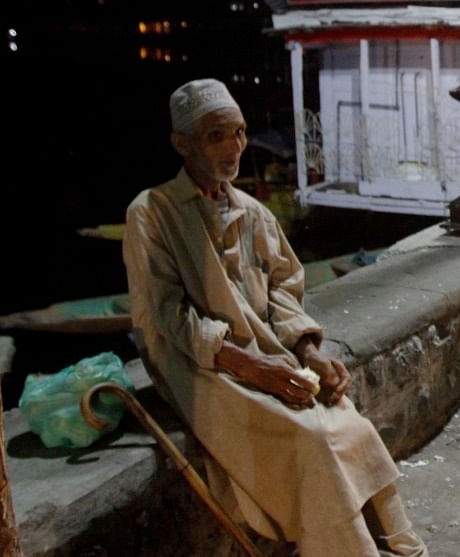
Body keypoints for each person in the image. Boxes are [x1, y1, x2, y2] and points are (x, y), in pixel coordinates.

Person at [123, 79, 427, 557]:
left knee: (349, 423)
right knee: (310, 439)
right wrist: (250, 366)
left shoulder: (252, 212)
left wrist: (308, 350)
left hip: (266, 350)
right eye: (216, 135)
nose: (234, 147)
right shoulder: (152, 213)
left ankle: (398, 539)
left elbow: (284, 290)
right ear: (181, 144)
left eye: (240, 133)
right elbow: (166, 313)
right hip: (199, 364)